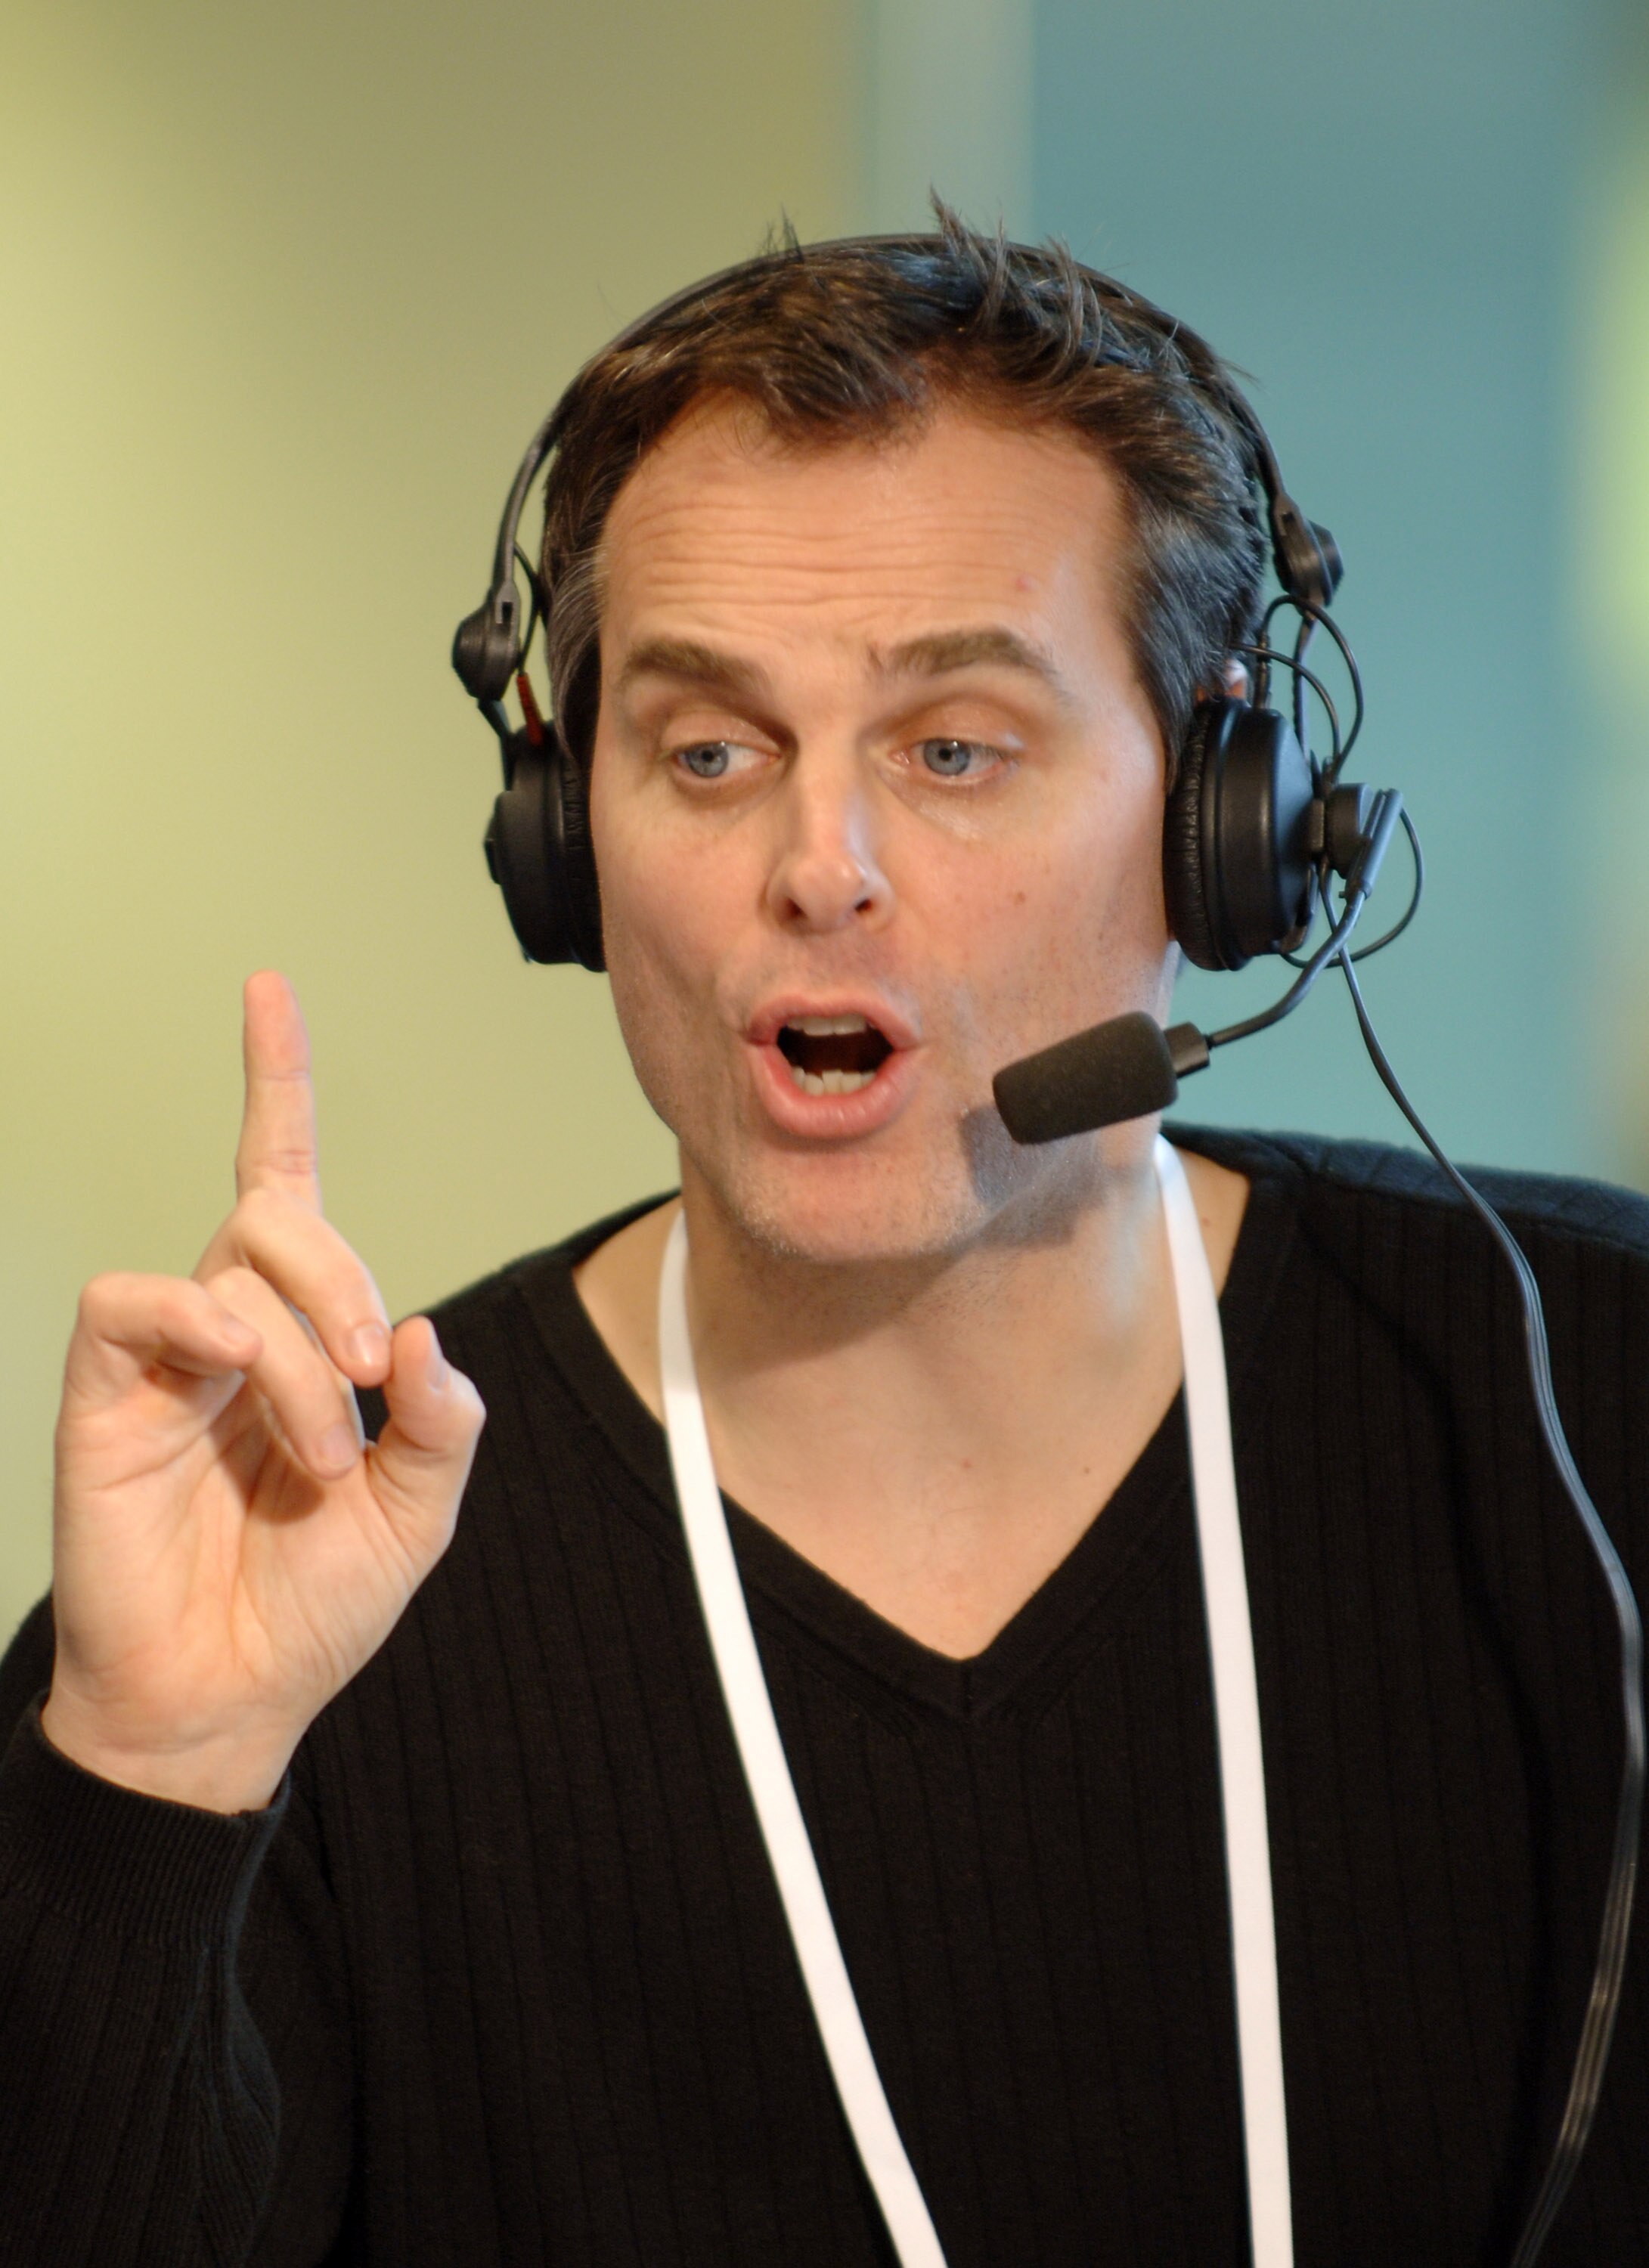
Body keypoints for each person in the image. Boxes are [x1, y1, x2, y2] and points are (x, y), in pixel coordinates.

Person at [2, 214, 1646, 2268]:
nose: (820, 869)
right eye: (710, 753)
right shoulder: (309, 1567)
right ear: (563, 844)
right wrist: (152, 1785)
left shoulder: (1601, 1394)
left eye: (955, 750)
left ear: (1228, 823)